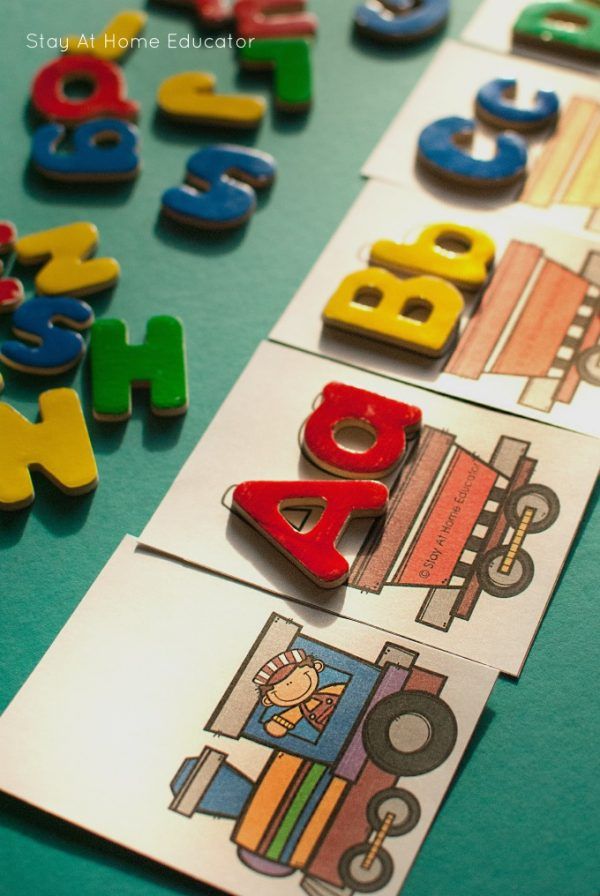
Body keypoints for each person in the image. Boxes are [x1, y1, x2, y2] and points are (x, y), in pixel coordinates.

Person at [253, 648, 346, 739]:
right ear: (268, 700)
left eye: (302, 674)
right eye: (275, 688)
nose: (289, 684)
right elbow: (277, 727)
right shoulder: (297, 711)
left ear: (317, 666)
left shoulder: (330, 690)